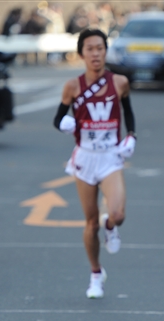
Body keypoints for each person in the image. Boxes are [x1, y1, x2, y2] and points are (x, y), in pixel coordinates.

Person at [53, 28, 136, 299]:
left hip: (110, 157)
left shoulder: (120, 82)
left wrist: (131, 136)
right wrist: (63, 124)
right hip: (85, 157)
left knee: (118, 213)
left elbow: (128, 113)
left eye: (100, 48)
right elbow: (58, 118)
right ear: (82, 54)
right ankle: (96, 273)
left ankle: (110, 226)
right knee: (90, 223)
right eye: (90, 48)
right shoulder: (73, 86)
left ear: (105, 51)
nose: (95, 53)